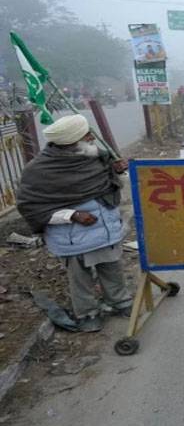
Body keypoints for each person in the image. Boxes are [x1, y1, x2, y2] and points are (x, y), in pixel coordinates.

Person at [16, 115, 132, 333]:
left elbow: (111, 183)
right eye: (86, 134)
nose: (91, 137)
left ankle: (121, 302)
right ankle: (88, 314)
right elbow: (31, 206)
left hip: (105, 228)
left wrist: (116, 170)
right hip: (73, 236)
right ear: (72, 141)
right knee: (80, 279)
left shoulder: (95, 155)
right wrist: (72, 215)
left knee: (112, 268)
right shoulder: (39, 170)